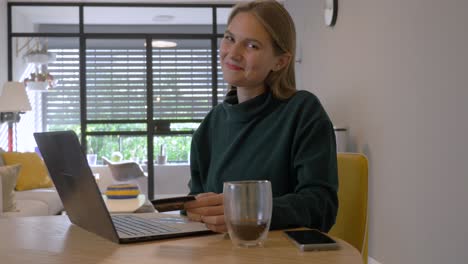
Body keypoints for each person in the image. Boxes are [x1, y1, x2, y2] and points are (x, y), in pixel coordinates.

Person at [184, 0, 338, 234]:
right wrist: (195, 209)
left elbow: (321, 206)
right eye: (229, 38)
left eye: (252, 46)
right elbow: (197, 198)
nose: (233, 54)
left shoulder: (302, 112)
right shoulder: (210, 126)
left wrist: (248, 211)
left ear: (280, 61)